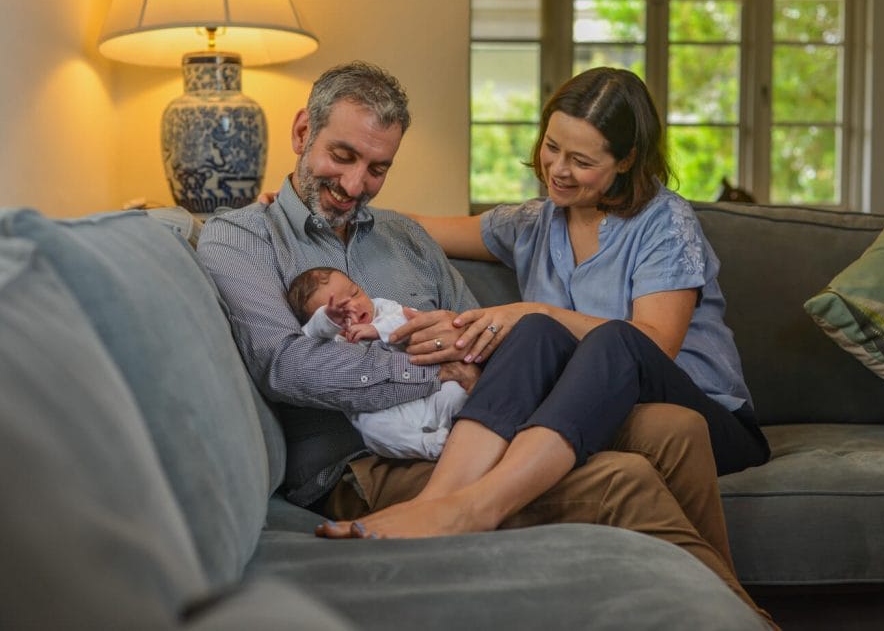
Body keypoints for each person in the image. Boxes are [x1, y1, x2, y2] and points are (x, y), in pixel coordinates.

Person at [200, 61, 773, 623]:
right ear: (302, 132)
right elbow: (287, 367)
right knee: (626, 475)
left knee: (673, 424)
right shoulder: (246, 236)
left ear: (625, 162)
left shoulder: (404, 237)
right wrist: (436, 369)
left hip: (477, 429)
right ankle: (743, 617)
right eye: (342, 157)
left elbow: (492, 344)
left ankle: (737, 611)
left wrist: (473, 354)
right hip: (367, 462)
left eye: (378, 169)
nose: (355, 185)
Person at [286, 266, 469, 460]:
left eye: (355, 293)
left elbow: (410, 321)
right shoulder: (333, 341)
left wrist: (377, 329)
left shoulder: (384, 309)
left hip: (428, 394)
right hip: (383, 410)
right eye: (340, 311)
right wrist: (328, 320)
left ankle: (461, 432)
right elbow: (309, 336)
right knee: (370, 426)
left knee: (454, 392)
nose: (354, 306)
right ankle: (429, 446)